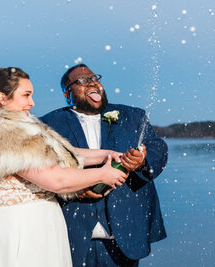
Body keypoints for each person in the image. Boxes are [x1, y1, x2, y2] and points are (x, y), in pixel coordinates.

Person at [0, 67, 128, 267]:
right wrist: (102, 175)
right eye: (26, 95)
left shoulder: (11, 126)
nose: (32, 103)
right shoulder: (5, 133)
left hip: (31, 229)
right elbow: (56, 180)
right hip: (19, 235)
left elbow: (61, 154)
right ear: (2, 98)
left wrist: (108, 154)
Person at [41, 64, 168, 266]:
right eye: (81, 81)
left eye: (94, 78)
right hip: (71, 233)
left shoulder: (133, 116)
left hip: (125, 234)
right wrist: (72, 192)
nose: (92, 83)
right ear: (68, 94)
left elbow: (157, 148)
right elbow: (41, 172)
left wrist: (142, 161)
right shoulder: (48, 124)